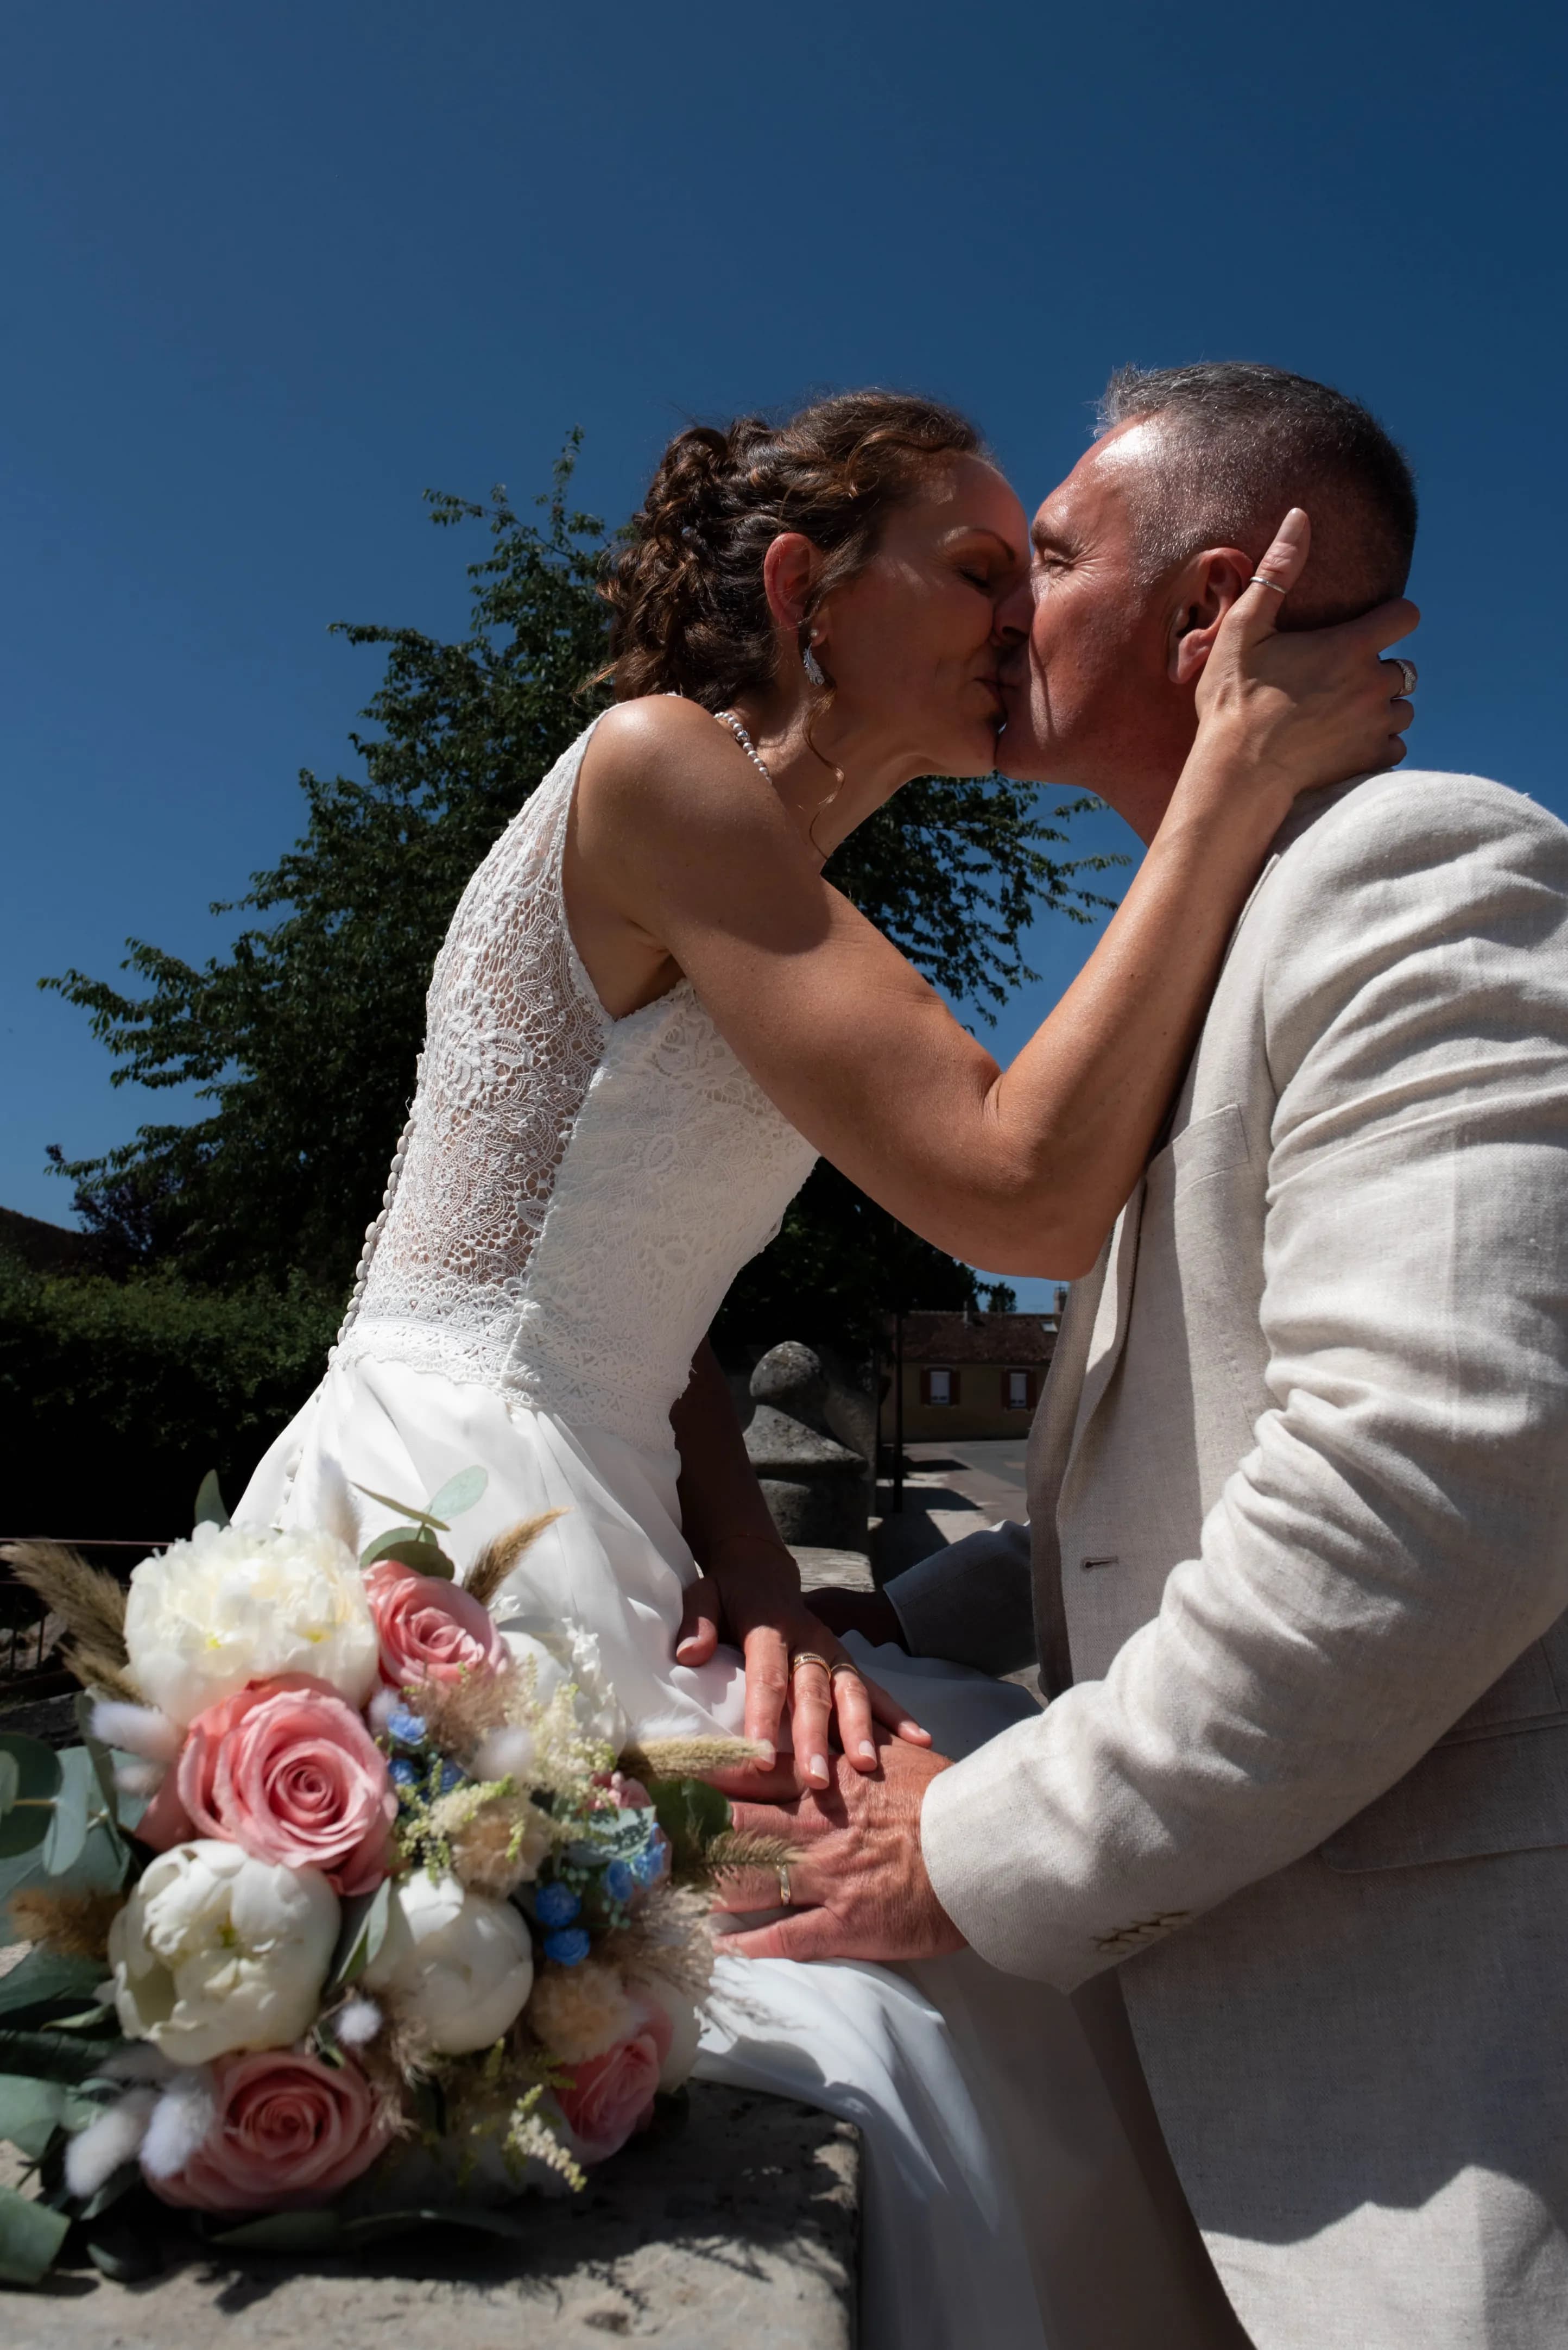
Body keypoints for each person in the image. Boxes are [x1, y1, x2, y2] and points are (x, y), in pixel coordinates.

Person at [238, 385, 1413, 2349]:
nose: (1014, 622)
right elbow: (1023, 1196)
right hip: (447, 1515)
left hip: (613, 1502)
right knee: (865, 1961)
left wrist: (768, 1587)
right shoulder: (656, 769)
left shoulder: (792, 892)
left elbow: (667, 1308)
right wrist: (1227, 780)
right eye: (973, 570)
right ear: (806, 590)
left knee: (924, 1808)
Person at [740, 363, 1568, 2350]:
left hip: (1425, 2106)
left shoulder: (1422, 865)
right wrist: (901, 1622)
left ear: (1209, 614)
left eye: (1050, 554)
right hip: (1206, 2088)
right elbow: (1156, 1493)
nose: (1010, 606)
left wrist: (968, 1849)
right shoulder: (1208, 960)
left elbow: (1438, 1477)